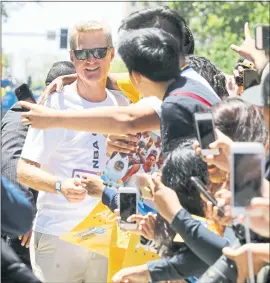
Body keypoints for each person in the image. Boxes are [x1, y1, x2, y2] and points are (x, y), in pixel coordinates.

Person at [17, 20, 128, 283]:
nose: (91, 60)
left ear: (111, 54)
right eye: (82, 54)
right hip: (59, 237)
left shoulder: (123, 104)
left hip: (107, 237)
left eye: (99, 52)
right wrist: (59, 185)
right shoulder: (55, 104)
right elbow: (23, 170)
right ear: (72, 57)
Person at [19, 7, 220, 146]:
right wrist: (72, 77)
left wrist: (53, 118)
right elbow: (108, 79)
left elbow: (127, 119)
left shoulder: (179, 95)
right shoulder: (183, 82)